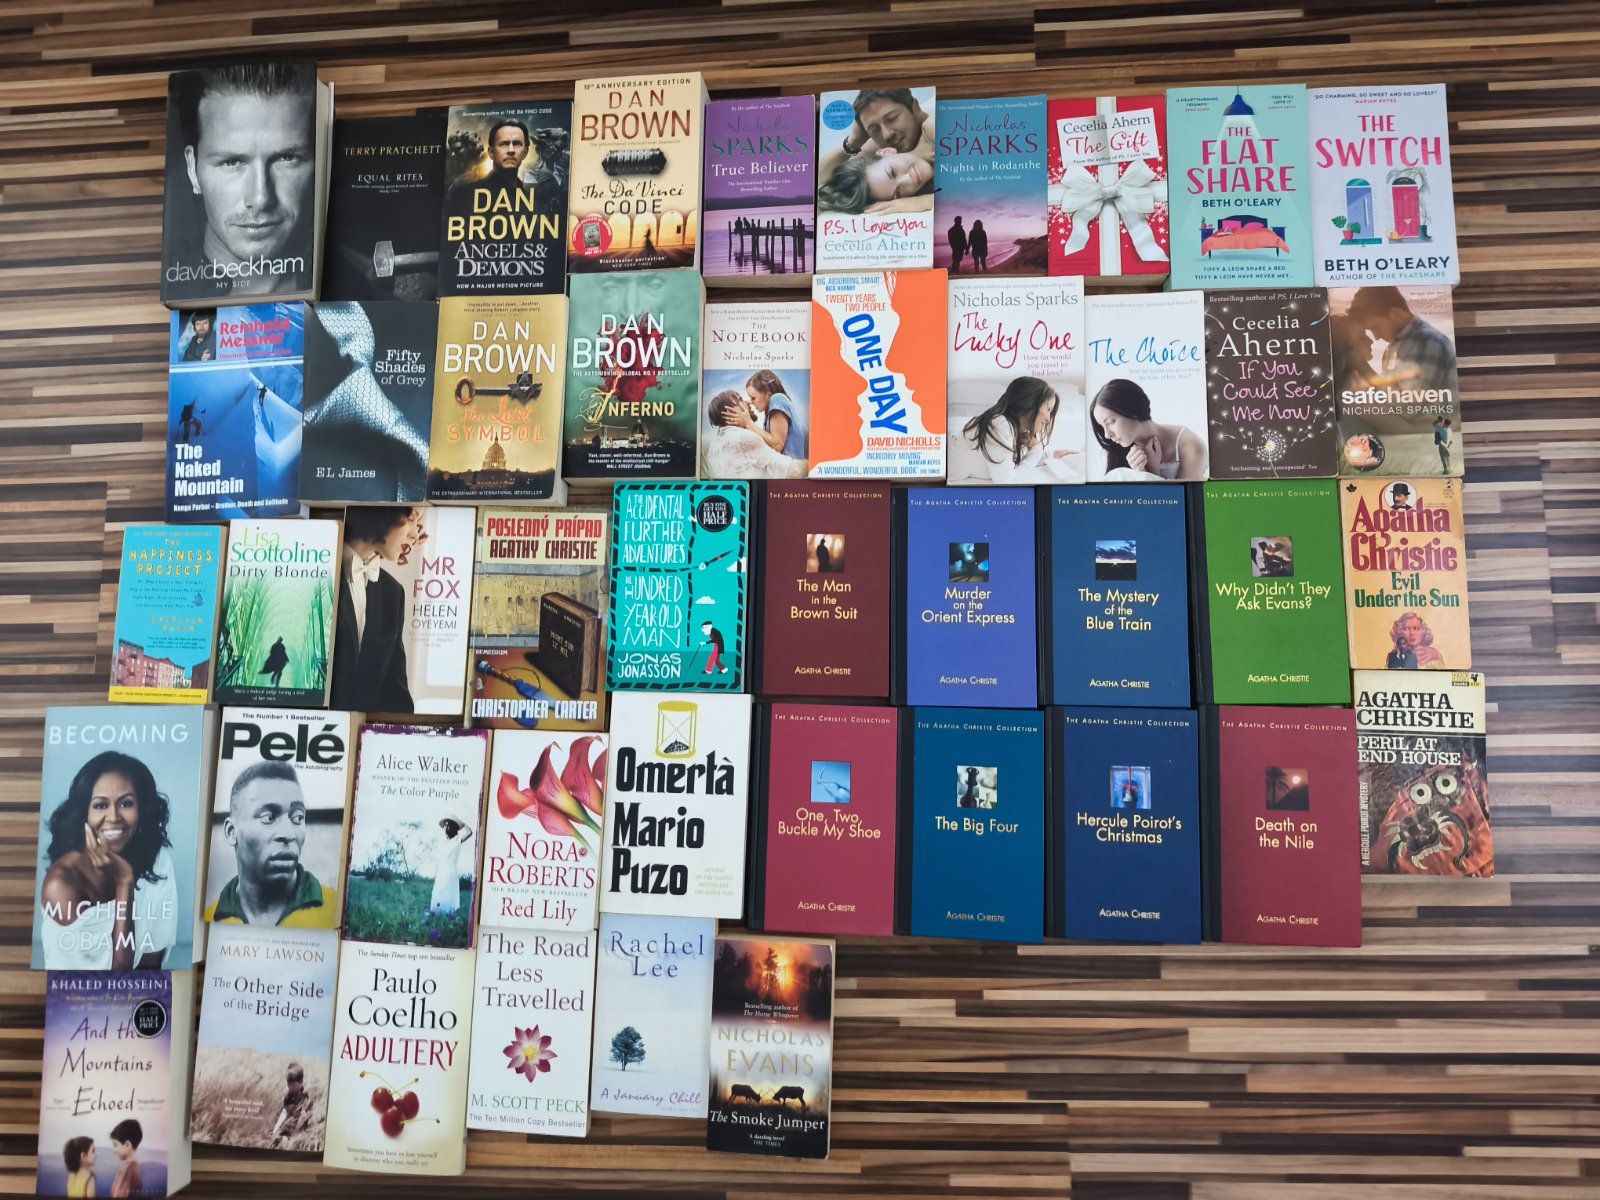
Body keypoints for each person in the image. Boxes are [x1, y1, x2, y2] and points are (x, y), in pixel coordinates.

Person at [171, 61, 316, 296]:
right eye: (232, 162)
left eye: (286, 158)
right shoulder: (173, 290)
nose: (260, 198)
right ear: (192, 169)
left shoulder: (361, 288)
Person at [39, 751, 176, 971]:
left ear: (142, 809)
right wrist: (124, 881)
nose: (113, 817)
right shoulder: (62, 883)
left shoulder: (158, 862)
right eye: (101, 805)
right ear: (84, 813)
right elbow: (116, 978)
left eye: (126, 804)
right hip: (76, 992)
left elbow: (151, 964)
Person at [204, 760, 336, 927]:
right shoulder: (210, 919)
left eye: (297, 818)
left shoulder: (336, 911)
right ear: (231, 832)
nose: (289, 834)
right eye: (268, 817)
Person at [330, 506, 421, 713]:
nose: (415, 534)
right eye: (411, 519)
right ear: (386, 511)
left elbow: (395, 693)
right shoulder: (313, 570)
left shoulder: (393, 592)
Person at [960, 376, 1080, 483]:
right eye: (1048, 409)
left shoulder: (1013, 427)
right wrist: (1037, 449)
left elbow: (1014, 461)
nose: (1048, 418)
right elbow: (1008, 483)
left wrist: (1051, 455)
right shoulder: (1000, 425)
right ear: (1030, 403)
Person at [1346, 286, 1458, 396]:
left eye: (1375, 327)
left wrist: (1363, 368)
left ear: (1396, 313)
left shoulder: (1427, 342)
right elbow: (1390, 395)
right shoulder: (1393, 346)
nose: (1376, 337)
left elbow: (1411, 403)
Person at [1089, 378, 1207, 481]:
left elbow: (1182, 497)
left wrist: (1148, 474)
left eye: (1110, 422)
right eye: (1102, 426)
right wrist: (1148, 472)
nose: (1107, 435)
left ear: (1132, 409)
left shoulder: (1190, 446)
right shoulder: (1112, 452)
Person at [702, 390, 805, 478]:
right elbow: (791, 470)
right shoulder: (743, 438)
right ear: (729, 412)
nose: (748, 402)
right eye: (740, 400)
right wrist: (812, 465)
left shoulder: (714, 447)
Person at [738, 369, 805, 459]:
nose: (750, 402)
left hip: (793, 465)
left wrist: (748, 422)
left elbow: (777, 446)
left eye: (753, 398)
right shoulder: (771, 409)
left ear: (768, 394)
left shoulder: (777, 399)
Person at [429, 817, 474, 917]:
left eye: (448, 825)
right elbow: (439, 859)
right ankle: (437, 918)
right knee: (437, 894)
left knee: (447, 895)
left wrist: (462, 823)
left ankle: (448, 918)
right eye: (445, 825)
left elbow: (469, 832)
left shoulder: (457, 840)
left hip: (450, 872)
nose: (446, 827)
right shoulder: (442, 842)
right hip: (440, 872)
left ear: (453, 828)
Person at [272, 1064, 310, 1144]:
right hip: (288, 1125)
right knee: (278, 1136)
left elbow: (305, 1115)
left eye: (293, 1085)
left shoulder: (305, 1095)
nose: (290, 1087)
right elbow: (284, 1112)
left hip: (299, 1125)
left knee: (287, 1139)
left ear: (301, 1083)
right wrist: (276, 1129)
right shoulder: (288, 1096)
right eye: (288, 1085)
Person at [108, 1120, 142, 1199]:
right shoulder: (134, 1167)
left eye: (115, 1145)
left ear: (127, 1145)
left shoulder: (127, 1170)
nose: (114, 1150)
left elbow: (117, 1195)